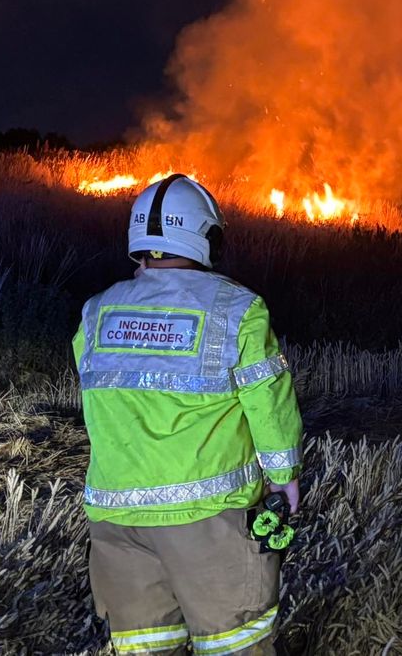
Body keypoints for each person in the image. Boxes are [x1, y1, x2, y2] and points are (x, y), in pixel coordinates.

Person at [73, 174, 304, 655]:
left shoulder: (96, 312)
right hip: (208, 525)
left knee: (147, 647)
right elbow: (268, 401)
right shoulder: (238, 309)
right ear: (207, 237)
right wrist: (284, 475)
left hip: (116, 522)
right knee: (236, 645)